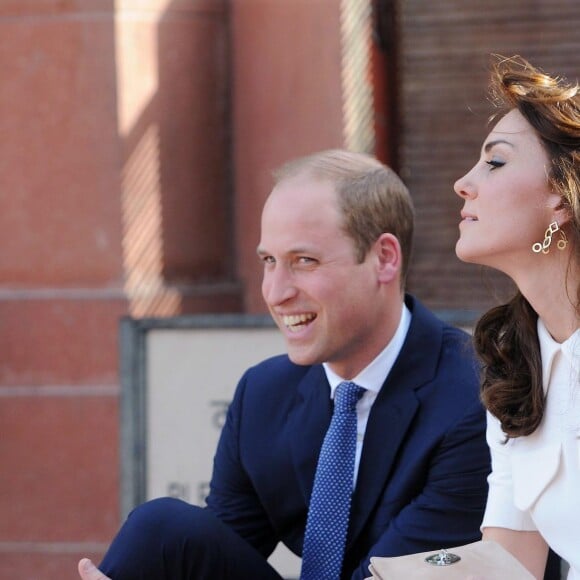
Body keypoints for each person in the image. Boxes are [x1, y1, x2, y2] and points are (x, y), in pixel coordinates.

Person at [79, 149, 490, 580]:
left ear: (384, 258)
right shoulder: (263, 393)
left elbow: (398, 574)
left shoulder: (472, 395)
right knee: (160, 530)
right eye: (269, 261)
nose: (275, 293)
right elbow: (209, 555)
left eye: (304, 261)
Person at [453, 55, 580, 579]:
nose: (464, 183)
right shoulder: (515, 358)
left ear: (561, 198)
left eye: (495, 162)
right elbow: (506, 566)